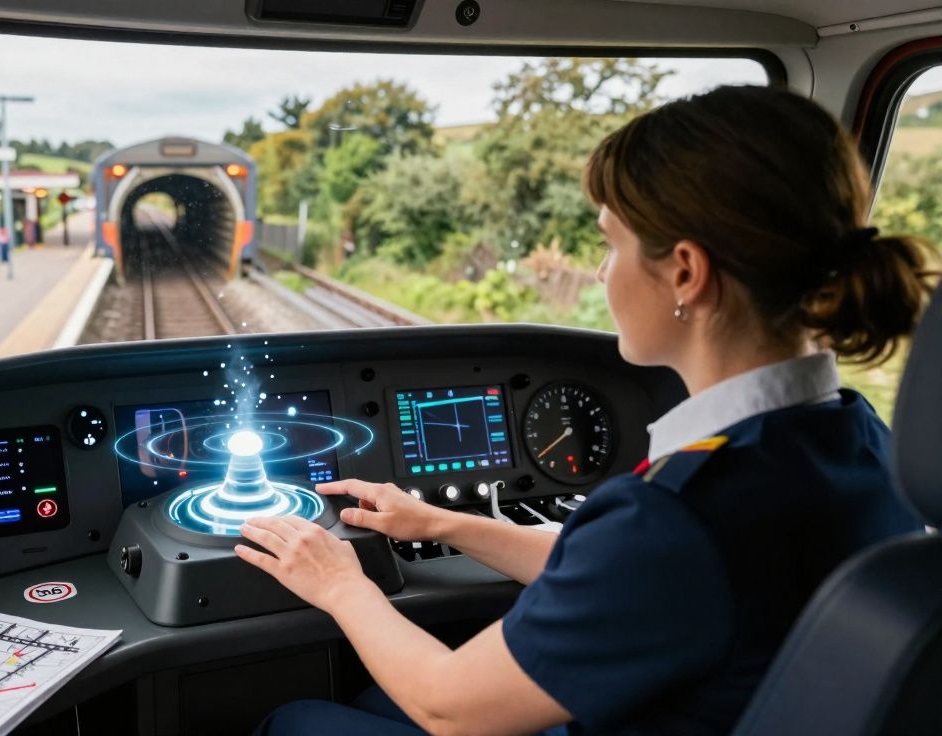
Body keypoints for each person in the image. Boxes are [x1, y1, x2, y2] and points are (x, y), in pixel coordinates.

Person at [238, 85, 939, 735]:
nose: (602, 271)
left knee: (296, 720)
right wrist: (443, 523)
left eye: (610, 243)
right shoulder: (859, 438)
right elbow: (630, 576)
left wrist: (340, 583)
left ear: (686, 272)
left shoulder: (679, 514)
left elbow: (446, 706)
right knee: (371, 702)